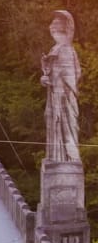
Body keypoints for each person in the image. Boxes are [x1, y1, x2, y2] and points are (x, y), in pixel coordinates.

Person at [42, 10, 81, 163]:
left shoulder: (65, 49)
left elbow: (73, 74)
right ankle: (58, 157)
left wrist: (63, 90)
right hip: (54, 96)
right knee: (53, 123)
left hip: (63, 97)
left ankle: (67, 157)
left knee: (66, 127)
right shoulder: (56, 48)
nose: (51, 26)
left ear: (63, 29)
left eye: (56, 24)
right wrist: (44, 78)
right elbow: (53, 74)